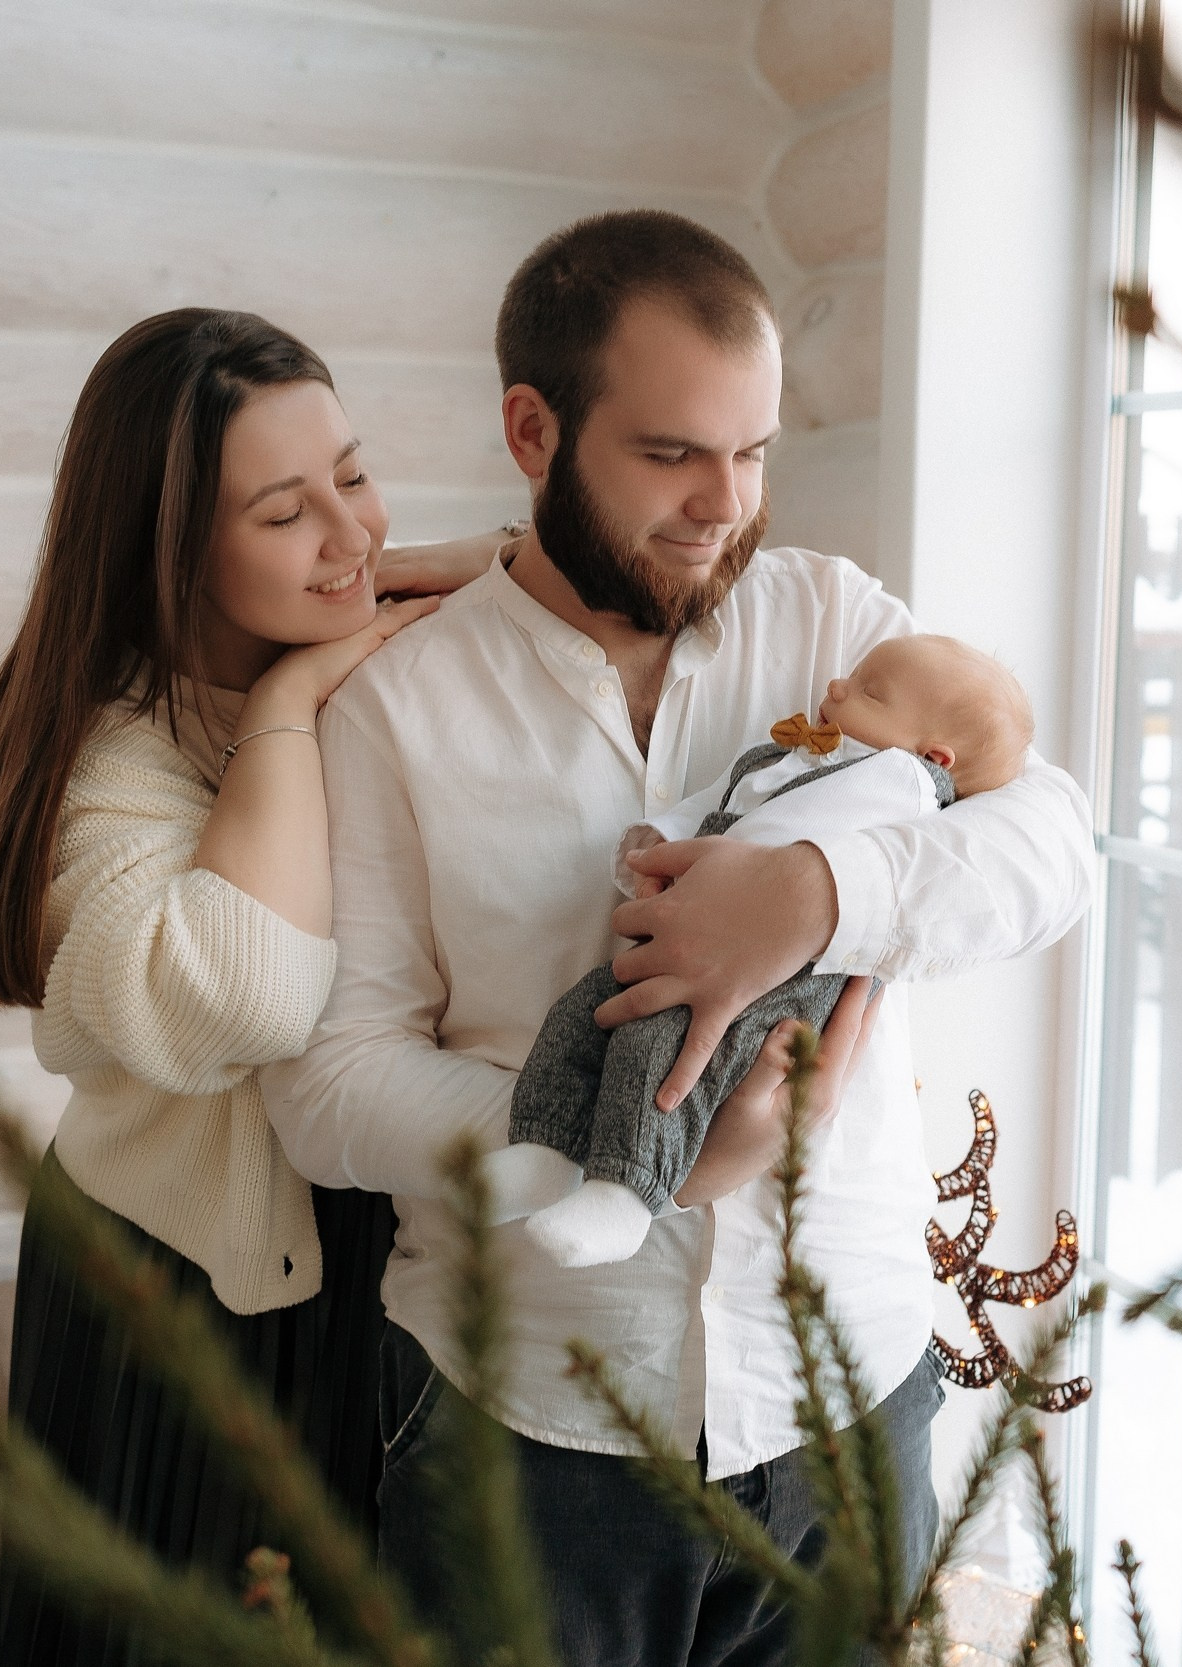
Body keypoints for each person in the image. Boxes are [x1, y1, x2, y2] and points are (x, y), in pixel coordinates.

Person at [263, 210, 1094, 1664]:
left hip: (851, 1410)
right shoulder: (398, 707)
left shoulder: (835, 620)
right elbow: (329, 1081)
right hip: (529, 1431)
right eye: (671, 454)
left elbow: (1053, 846)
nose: (727, 501)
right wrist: (604, 1152)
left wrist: (822, 896)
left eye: (755, 450)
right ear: (534, 428)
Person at [0, 306, 491, 1664]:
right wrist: (287, 701)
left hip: (374, 1265)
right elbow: (240, 1002)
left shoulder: (375, 649)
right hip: (185, 1289)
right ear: (172, 546)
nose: (353, 535)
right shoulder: (112, 758)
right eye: (284, 512)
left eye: (355, 476)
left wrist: (394, 602)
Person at [487, 634, 1039, 1268]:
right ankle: (544, 1146)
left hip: (788, 974)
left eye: (869, 692)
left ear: (932, 754)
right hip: (689, 926)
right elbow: (716, 803)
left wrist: (756, 893)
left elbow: (1022, 853)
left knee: (659, 1048)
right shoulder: (782, 754)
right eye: (849, 676)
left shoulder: (905, 782)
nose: (837, 688)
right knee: (585, 1010)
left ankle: (626, 1190)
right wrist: (657, 845)